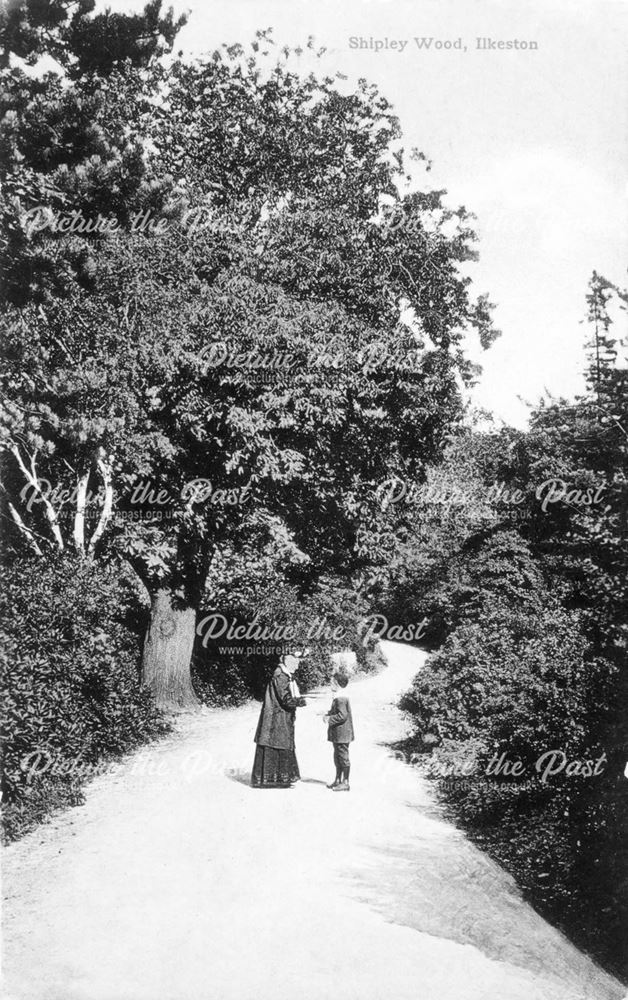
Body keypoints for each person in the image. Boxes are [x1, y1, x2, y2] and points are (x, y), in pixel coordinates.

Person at [251, 652, 306, 788]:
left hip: (277, 716)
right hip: (277, 717)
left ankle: (274, 779)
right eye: (296, 664)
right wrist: (299, 702)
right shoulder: (281, 676)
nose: (297, 667)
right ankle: (278, 780)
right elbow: (285, 698)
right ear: (289, 664)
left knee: (276, 743)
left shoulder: (283, 674)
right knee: (278, 743)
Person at [323, 668, 354, 792]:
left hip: (342, 733)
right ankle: (337, 780)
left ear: (337, 683)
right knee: (337, 756)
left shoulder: (341, 698)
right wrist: (327, 713)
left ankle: (345, 782)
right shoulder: (339, 697)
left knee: (343, 757)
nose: (330, 685)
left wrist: (329, 719)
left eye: (331, 683)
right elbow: (338, 713)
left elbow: (342, 715)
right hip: (339, 733)